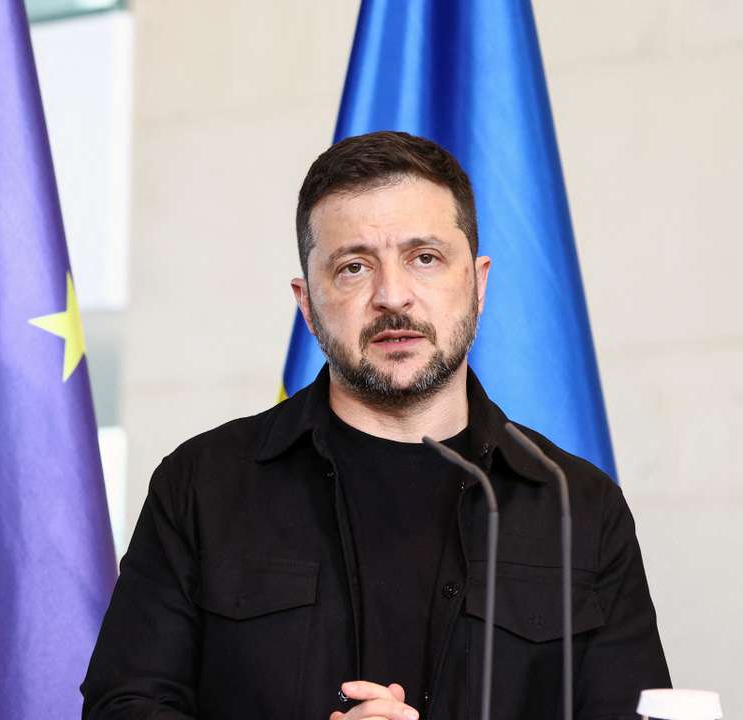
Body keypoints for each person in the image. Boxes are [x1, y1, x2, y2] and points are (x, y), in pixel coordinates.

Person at [81, 131, 669, 719]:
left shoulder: (582, 508)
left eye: (425, 258)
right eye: (354, 267)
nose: (393, 297)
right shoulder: (201, 485)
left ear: (479, 283)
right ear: (307, 303)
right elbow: (123, 707)